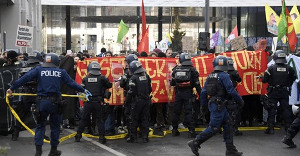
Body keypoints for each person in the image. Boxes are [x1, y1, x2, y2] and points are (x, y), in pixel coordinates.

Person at [6, 53, 88, 156]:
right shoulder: (61, 72)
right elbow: (71, 83)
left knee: (40, 126)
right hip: (55, 103)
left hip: (41, 103)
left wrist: (12, 88)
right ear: (56, 62)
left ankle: (38, 151)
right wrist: (83, 90)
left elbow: (25, 78)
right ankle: (53, 150)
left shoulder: (39, 70)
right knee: (55, 127)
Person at [188, 55, 244, 156]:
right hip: (220, 106)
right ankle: (195, 142)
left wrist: (203, 106)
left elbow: (204, 93)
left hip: (215, 105)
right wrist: (240, 100)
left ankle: (230, 150)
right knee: (214, 128)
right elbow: (231, 90)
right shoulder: (224, 75)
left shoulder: (210, 76)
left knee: (228, 125)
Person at [75, 61, 112, 144]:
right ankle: (102, 138)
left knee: (84, 119)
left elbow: (81, 89)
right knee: (100, 120)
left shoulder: (85, 79)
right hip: (98, 102)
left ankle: (78, 135)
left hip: (88, 102)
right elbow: (109, 85)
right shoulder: (102, 78)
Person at [11, 51, 43, 141]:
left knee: (22, 113)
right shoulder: (40, 67)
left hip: (26, 92)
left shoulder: (24, 66)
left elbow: (21, 78)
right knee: (40, 114)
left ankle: (15, 133)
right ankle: (40, 135)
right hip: (37, 92)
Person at [262, 50, 296, 134]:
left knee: (272, 109)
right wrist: (287, 84)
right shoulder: (289, 68)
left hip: (273, 91)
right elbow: (293, 78)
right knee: (286, 110)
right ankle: (288, 128)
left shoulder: (271, 68)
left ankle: (270, 128)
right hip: (284, 91)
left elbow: (264, 80)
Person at [170, 52, 201, 138]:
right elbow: (197, 84)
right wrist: (201, 95)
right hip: (188, 93)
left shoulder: (175, 69)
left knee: (176, 112)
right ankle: (191, 131)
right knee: (189, 112)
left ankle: (174, 130)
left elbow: (172, 83)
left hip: (178, 94)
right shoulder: (193, 70)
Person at [126, 60, 152, 143]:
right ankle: (145, 137)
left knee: (134, 119)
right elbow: (150, 89)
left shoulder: (133, 78)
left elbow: (131, 91)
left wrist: (127, 102)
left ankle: (133, 137)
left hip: (137, 101)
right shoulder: (146, 76)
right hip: (146, 100)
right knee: (145, 118)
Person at [119, 54, 138, 137]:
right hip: (139, 96)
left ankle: (131, 133)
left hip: (130, 96)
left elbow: (122, 84)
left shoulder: (127, 72)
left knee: (129, 114)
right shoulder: (142, 72)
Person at [226, 57, 243, 136]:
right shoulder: (234, 72)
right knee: (235, 112)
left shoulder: (223, 72)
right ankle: (234, 129)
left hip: (224, 95)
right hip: (233, 94)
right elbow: (239, 80)